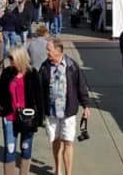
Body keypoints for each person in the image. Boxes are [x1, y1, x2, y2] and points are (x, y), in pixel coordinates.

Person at [39, 38, 90, 175]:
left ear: (58, 51)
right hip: (52, 112)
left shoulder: (72, 66)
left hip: (68, 112)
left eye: (49, 50)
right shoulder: (45, 67)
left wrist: (85, 105)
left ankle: (68, 173)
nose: (47, 52)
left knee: (68, 142)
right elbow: (40, 89)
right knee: (55, 141)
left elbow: (81, 86)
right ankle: (58, 170)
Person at [0, 46, 44, 175]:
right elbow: (0, 92)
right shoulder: (7, 73)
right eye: (10, 58)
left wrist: (39, 119)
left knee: (26, 148)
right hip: (10, 116)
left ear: (20, 58)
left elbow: (39, 98)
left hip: (27, 118)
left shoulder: (33, 74)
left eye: (12, 59)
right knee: (10, 148)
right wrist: (1, 105)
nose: (10, 62)